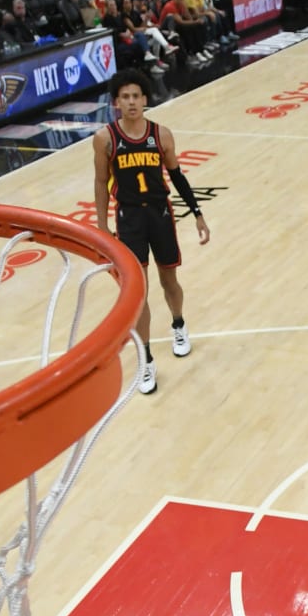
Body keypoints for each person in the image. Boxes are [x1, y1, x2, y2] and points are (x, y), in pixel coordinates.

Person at [89, 71, 210, 396]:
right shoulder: (105, 139)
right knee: (138, 292)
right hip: (129, 220)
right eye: (125, 97)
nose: (131, 102)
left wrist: (197, 213)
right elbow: (101, 183)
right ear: (116, 103)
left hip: (160, 216)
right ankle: (146, 359)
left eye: (136, 96)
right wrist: (102, 227)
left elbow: (177, 176)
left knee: (169, 281)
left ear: (145, 99)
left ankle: (179, 325)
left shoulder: (162, 135)